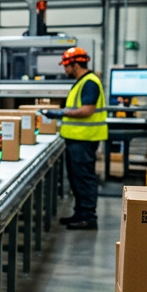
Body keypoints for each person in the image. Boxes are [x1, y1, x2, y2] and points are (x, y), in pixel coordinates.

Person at [44, 47, 106, 230]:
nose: (65, 70)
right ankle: (80, 214)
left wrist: (61, 113)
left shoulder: (89, 83)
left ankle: (88, 217)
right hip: (77, 139)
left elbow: (87, 110)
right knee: (77, 179)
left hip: (84, 139)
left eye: (66, 66)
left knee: (84, 179)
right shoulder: (82, 82)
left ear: (76, 65)